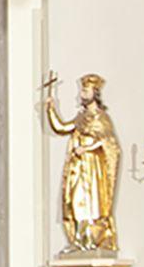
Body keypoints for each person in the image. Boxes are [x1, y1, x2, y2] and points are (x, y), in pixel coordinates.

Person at [42, 72, 121, 254]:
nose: (82, 95)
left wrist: (87, 148)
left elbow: (108, 141)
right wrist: (50, 109)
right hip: (77, 166)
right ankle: (78, 240)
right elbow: (62, 128)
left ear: (95, 93)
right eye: (82, 91)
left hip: (93, 166)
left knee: (92, 202)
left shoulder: (101, 118)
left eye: (85, 91)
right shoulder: (81, 118)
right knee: (75, 200)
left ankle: (92, 238)